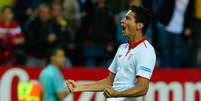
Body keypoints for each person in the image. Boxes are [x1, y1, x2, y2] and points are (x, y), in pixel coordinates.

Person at [67, 5, 156, 101]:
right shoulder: (122, 48)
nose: (122, 21)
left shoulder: (146, 51)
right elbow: (109, 82)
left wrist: (117, 94)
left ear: (139, 25)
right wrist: (79, 87)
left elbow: (142, 88)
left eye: (127, 18)